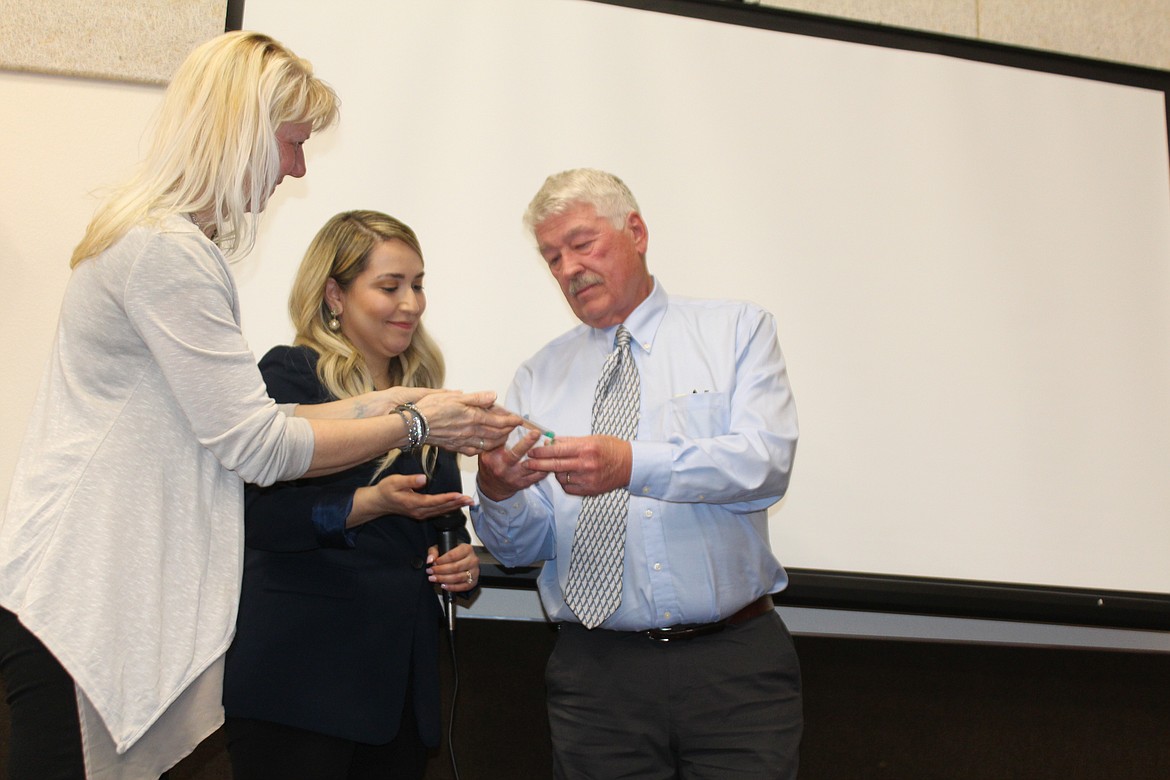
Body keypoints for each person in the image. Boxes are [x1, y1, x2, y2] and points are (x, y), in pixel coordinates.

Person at [0, 32, 517, 780]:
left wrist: (404, 398)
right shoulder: (165, 253)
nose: (297, 167)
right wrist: (415, 423)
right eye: (292, 142)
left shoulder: (164, 244)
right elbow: (259, 449)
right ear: (241, 131)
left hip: (99, 597)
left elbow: (254, 423)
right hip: (85, 599)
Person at [473, 168, 802, 779]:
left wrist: (632, 464)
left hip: (734, 665)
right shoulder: (538, 377)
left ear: (637, 232)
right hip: (597, 676)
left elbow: (764, 463)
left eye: (582, 243)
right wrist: (497, 494)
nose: (569, 268)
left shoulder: (735, 331)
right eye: (552, 257)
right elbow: (523, 547)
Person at [222, 210, 480, 779]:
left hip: (397, 694)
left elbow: (442, 523)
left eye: (418, 284)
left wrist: (458, 559)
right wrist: (373, 503)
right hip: (301, 683)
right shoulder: (290, 376)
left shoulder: (428, 395)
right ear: (334, 295)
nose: (410, 303)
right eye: (390, 286)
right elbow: (258, 519)